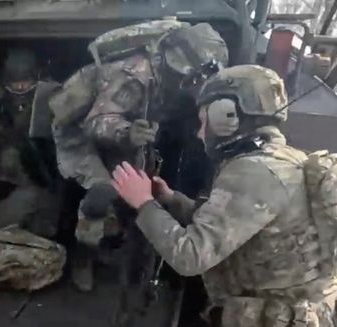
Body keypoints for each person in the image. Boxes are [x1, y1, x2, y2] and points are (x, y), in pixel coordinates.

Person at [111, 65, 337, 327]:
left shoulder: (251, 172)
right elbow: (233, 225)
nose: (201, 132)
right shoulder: (282, 159)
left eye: (204, 121)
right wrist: (170, 201)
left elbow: (189, 256)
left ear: (228, 117)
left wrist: (143, 204)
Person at [49, 20, 229, 292]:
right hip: (81, 130)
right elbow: (96, 122)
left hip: (130, 124)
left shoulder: (171, 69)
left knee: (136, 183)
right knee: (101, 193)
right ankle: (83, 253)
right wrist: (126, 133)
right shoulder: (133, 76)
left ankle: (117, 235)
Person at [0, 46, 61, 239]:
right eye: (16, 83)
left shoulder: (51, 93)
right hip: (12, 172)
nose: (21, 87)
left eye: (26, 82)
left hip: (48, 161)